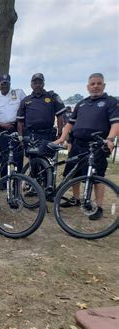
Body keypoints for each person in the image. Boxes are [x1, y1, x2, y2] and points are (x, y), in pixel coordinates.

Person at [54, 73, 119, 220]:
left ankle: (99, 206)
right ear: (88, 86)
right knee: (72, 174)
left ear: (104, 85)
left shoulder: (110, 102)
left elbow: (116, 123)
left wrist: (110, 139)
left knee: (96, 176)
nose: (95, 86)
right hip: (77, 144)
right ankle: (76, 199)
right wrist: (63, 138)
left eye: (98, 83)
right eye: (93, 84)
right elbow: (70, 123)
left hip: (97, 145)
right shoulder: (81, 103)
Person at [0, 74, 26, 177]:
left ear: (10, 83)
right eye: (2, 83)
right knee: (5, 155)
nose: (4, 85)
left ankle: (18, 180)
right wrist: (3, 125)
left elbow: (27, 107)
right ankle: (3, 181)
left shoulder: (18, 93)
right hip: (3, 129)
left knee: (18, 155)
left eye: (6, 83)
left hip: (17, 128)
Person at [17, 73, 66, 143]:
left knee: (48, 154)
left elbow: (60, 117)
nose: (37, 85)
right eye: (35, 83)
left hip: (48, 135)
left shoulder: (52, 97)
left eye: (40, 83)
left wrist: (60, 133)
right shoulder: (25, 100)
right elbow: (20, 121)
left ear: (43, 84)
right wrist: (20, 137)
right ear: (31, 85)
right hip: (31, 136)